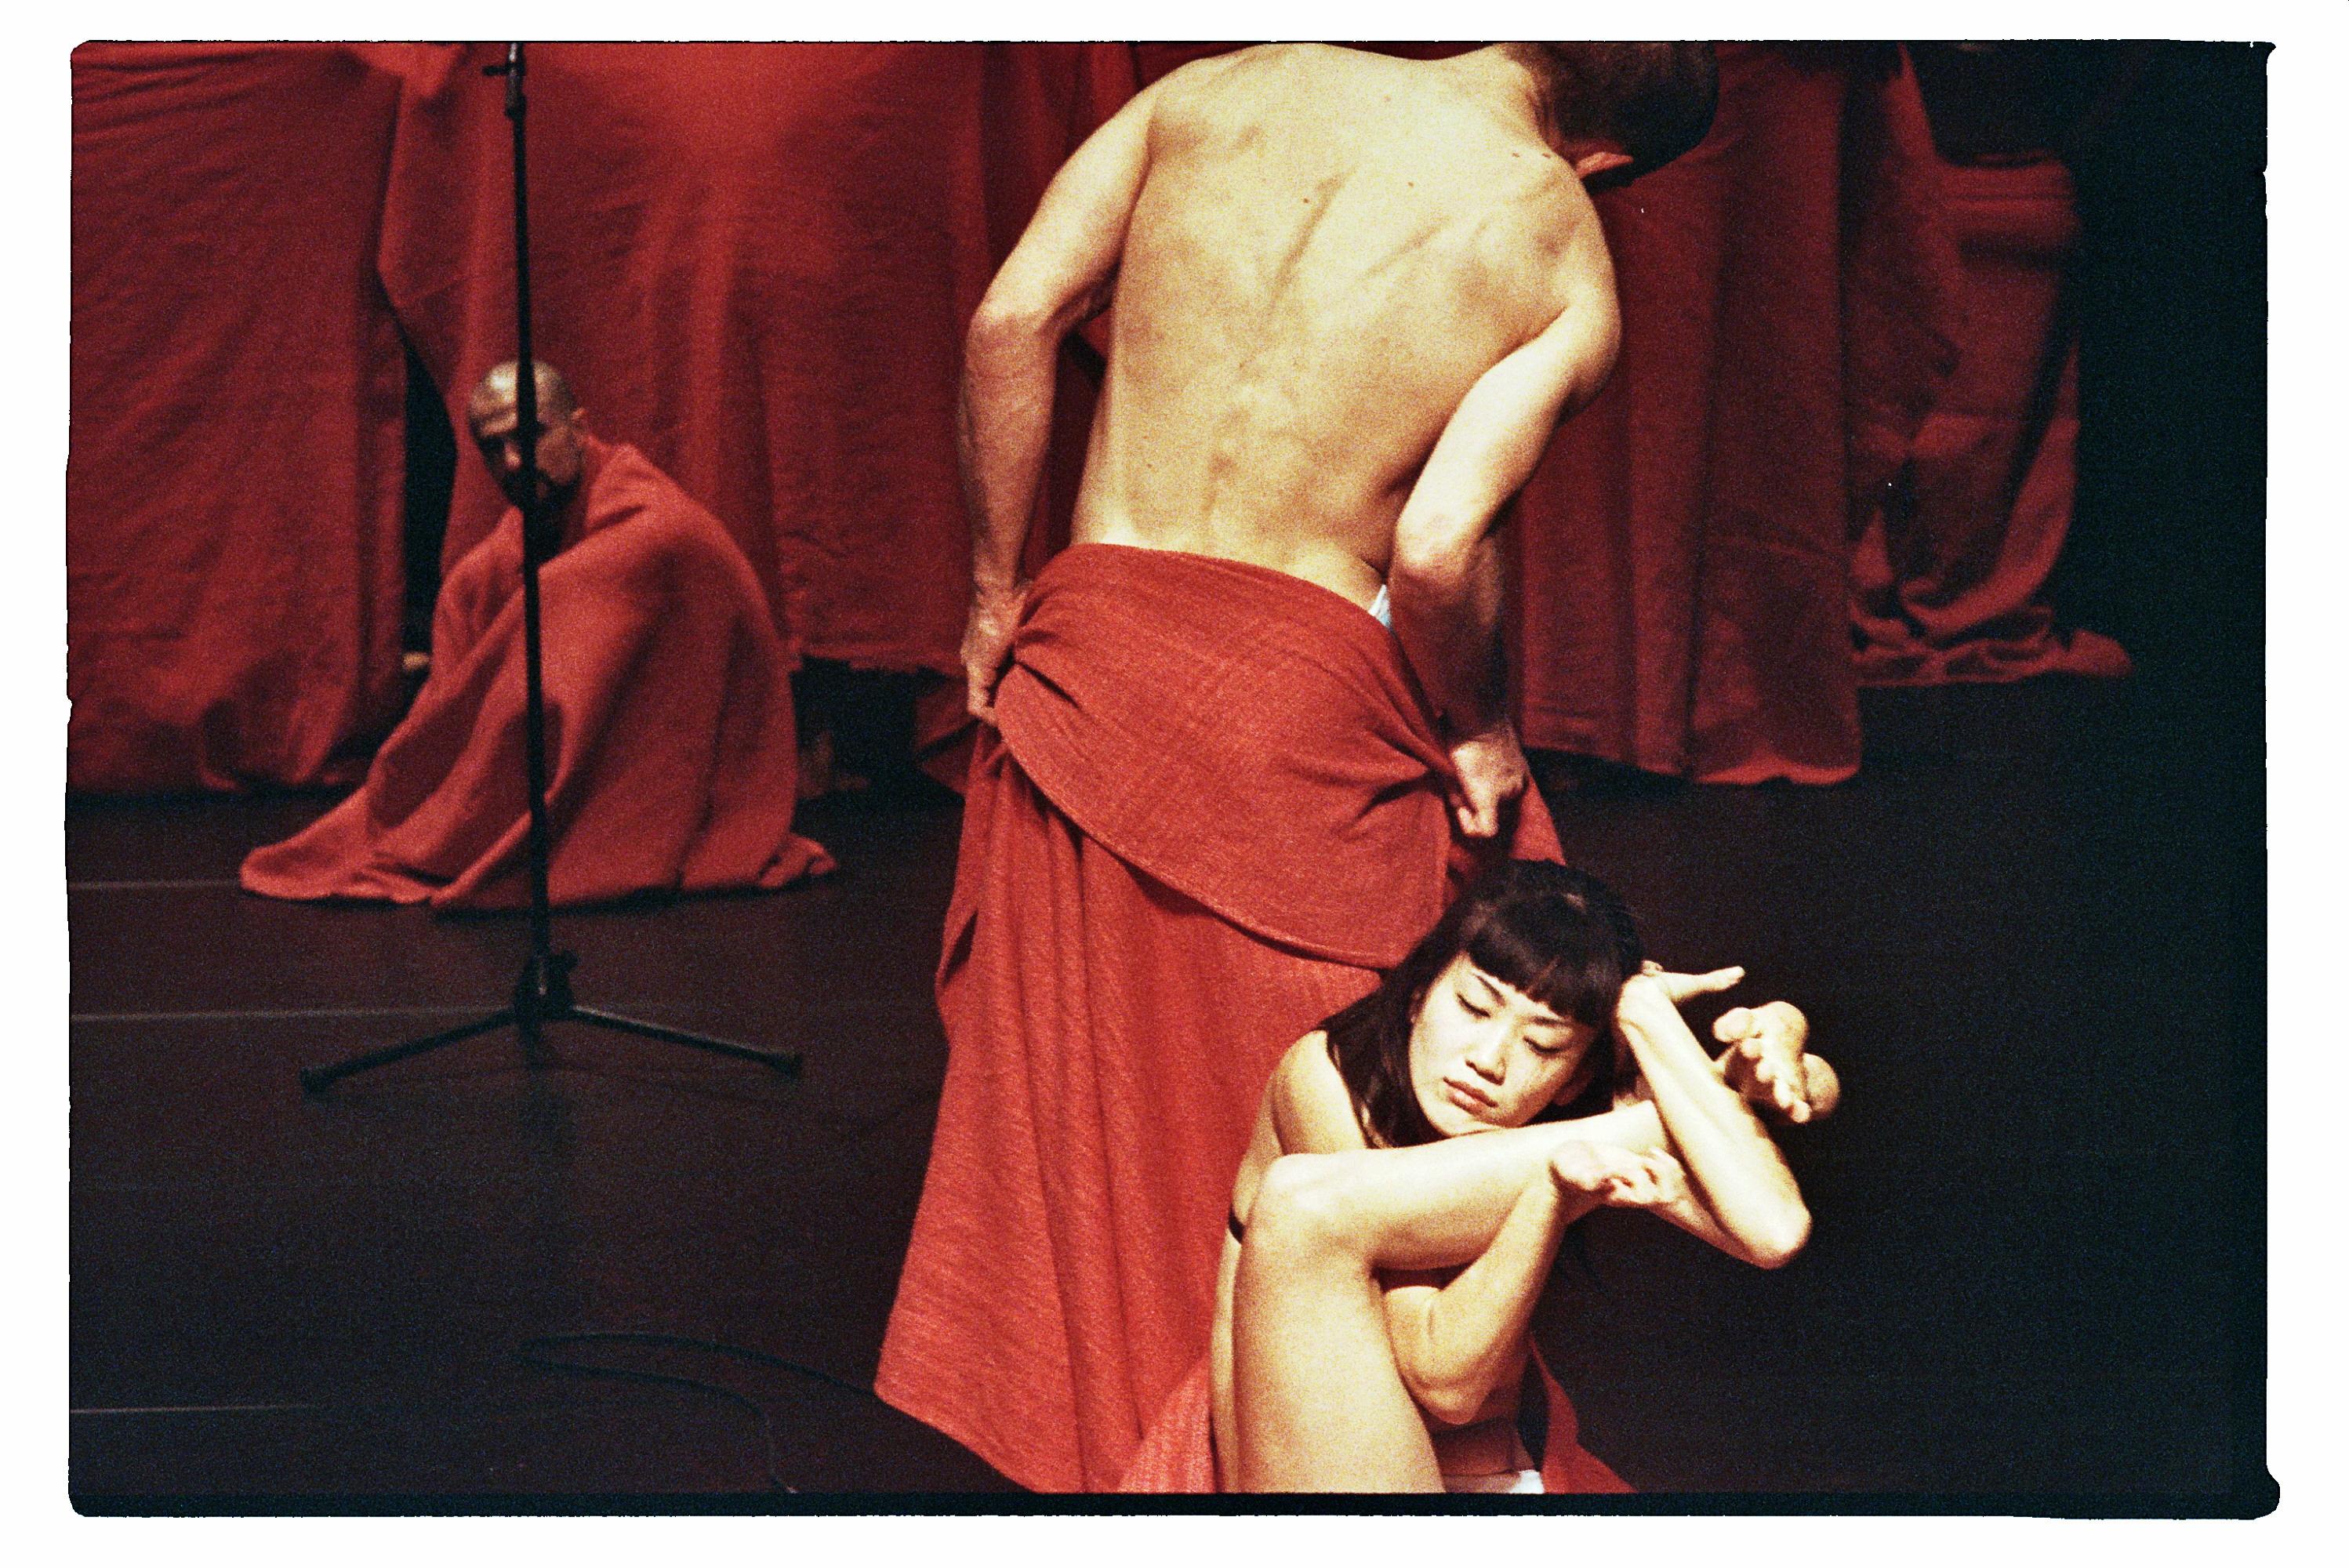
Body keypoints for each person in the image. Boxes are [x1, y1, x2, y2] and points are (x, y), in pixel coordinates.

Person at [877, 43, 1721, 1490]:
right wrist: (1476, 728)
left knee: (1106, 1123)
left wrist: (993, 594)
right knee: (1355, 1127)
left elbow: (1013, 317)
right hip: (1291, 723)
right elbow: (1443, 545)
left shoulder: (1213, 88)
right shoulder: (1561, 249)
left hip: (1084, 663)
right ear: (1612, 160)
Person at [1207, 861, 1835, 1492]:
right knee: (1298, 1198)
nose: (1486, 1061)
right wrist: (1703, 1099)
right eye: (1474, 1007)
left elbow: (1772, 1230)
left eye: (1542, 1046)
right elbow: (1444, 1380)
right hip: (1318, 1469)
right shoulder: (1332, 1085)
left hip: (1481, 1474)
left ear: (1576, 1081)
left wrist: (1654, 1017)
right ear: (1421, 989)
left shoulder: (1573, 1114)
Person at [239, 361, 831, 909]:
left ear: (578, 429)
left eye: (530, 435)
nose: (514, 463)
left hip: (684, 792)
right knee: (470, 589)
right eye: (492, 448)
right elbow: (448, 716)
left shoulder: (655, 528)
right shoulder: (501, 559)